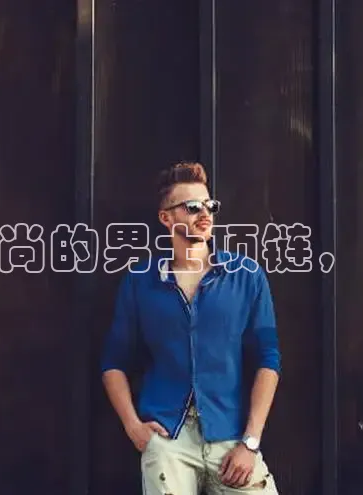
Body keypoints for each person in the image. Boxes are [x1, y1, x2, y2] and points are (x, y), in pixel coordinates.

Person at [100, 161, 281, 494]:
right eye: (193, 206)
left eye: (209, 205)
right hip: (168, 439)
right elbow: (114, 362)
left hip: (232, 437)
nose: (205, 214)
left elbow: (268, 359)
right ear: (166, 218)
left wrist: (251, 441)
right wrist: (133, 426)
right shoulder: (141, 281)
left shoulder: (245, 275)